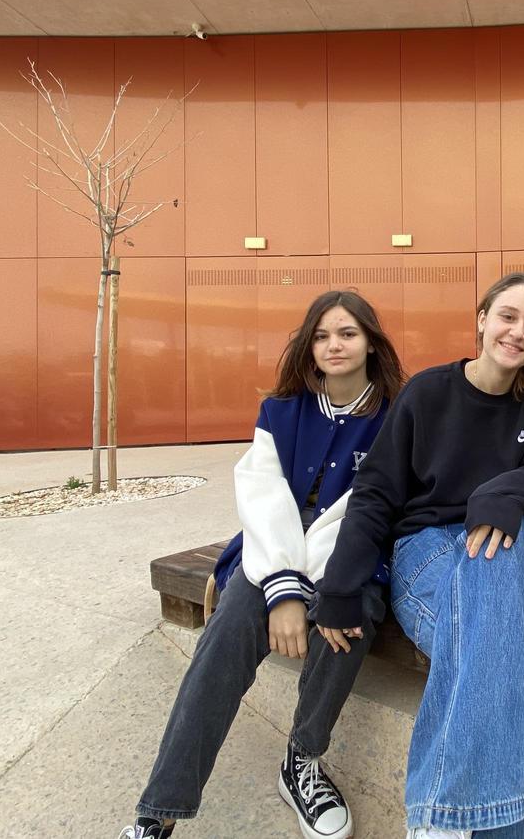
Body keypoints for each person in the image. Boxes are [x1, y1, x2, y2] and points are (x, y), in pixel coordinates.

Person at [120, 290, 404, 839]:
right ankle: (159, 809)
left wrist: (313, 589)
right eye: (321, 335)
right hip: (270, 552)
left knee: (348, 618)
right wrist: (284, 588)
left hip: (351, 556)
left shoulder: (396, 415)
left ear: (371, 341)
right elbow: (264, 498)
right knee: (227, 631)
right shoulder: (281, 410)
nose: (333, 345)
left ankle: (302, 759)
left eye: (347, 333)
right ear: (307, 346)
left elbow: (366, 511)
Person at [314, 272, 524, 839]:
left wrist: (501, 495)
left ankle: (441, 819)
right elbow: (377, 494)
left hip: (514, 538)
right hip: (429, 549)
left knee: (493, 557)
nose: (518, 332)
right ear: (481, 317)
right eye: (508, 316)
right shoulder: (427, 392)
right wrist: (339, 587)